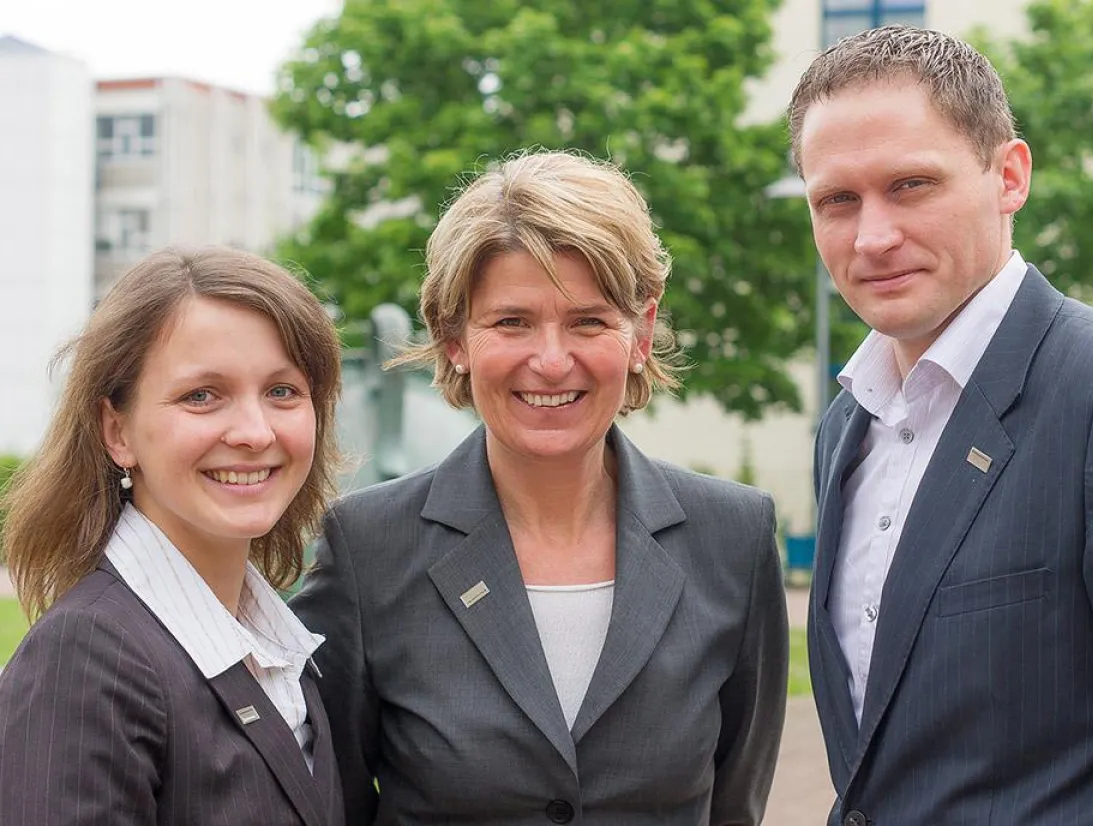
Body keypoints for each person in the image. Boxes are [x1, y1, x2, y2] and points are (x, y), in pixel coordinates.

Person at [291, 150, 789, 825]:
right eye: (511, 322)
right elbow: (331, 804)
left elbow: (735, 804)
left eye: (588, 320)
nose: (551, 362)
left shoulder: (735, 537)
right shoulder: (367, 549)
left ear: (640, 333)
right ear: (453, 337)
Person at [791, 24, 1093, 825]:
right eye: (837, 199)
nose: (872, 236)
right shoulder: (846, 426)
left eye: (910, 184)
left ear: (1008, 176)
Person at [0, 247, 345, 825]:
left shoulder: (281, 649)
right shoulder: (87, 658)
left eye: (282, 391)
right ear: (117, 431)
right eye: (201, 396)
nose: (255, 432)